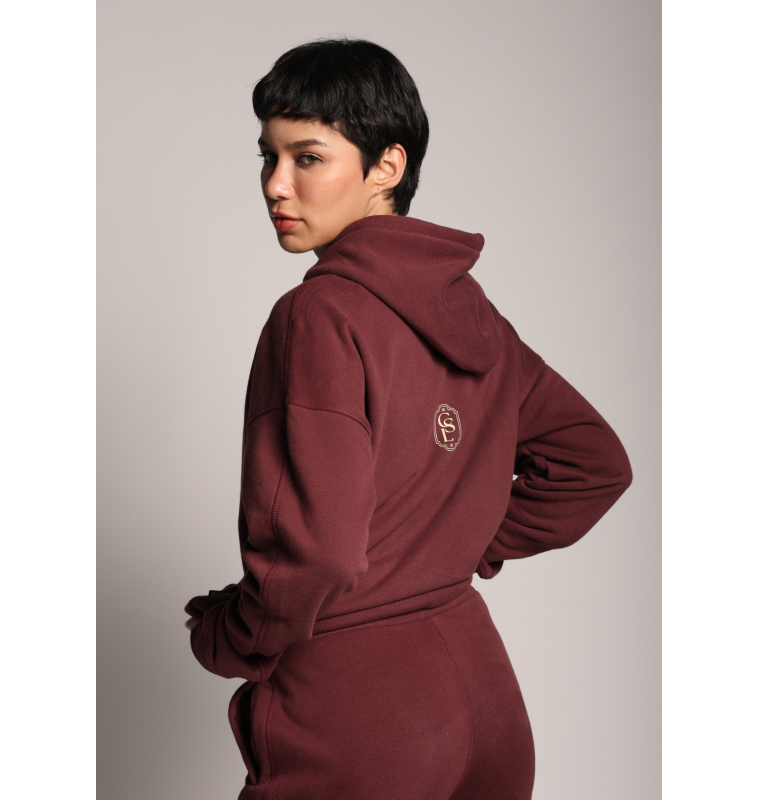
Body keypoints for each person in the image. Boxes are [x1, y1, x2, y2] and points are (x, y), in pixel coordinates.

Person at [184, 37, 632, 800]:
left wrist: (227, 635)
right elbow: (594, 462)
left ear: (387, 166)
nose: (276, 184)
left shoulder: (317, 315)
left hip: (358, 714)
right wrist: (445, 544)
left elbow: (317, 558)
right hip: (483, 696)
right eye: (268, 157)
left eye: (308, 158)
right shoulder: (471, 311)